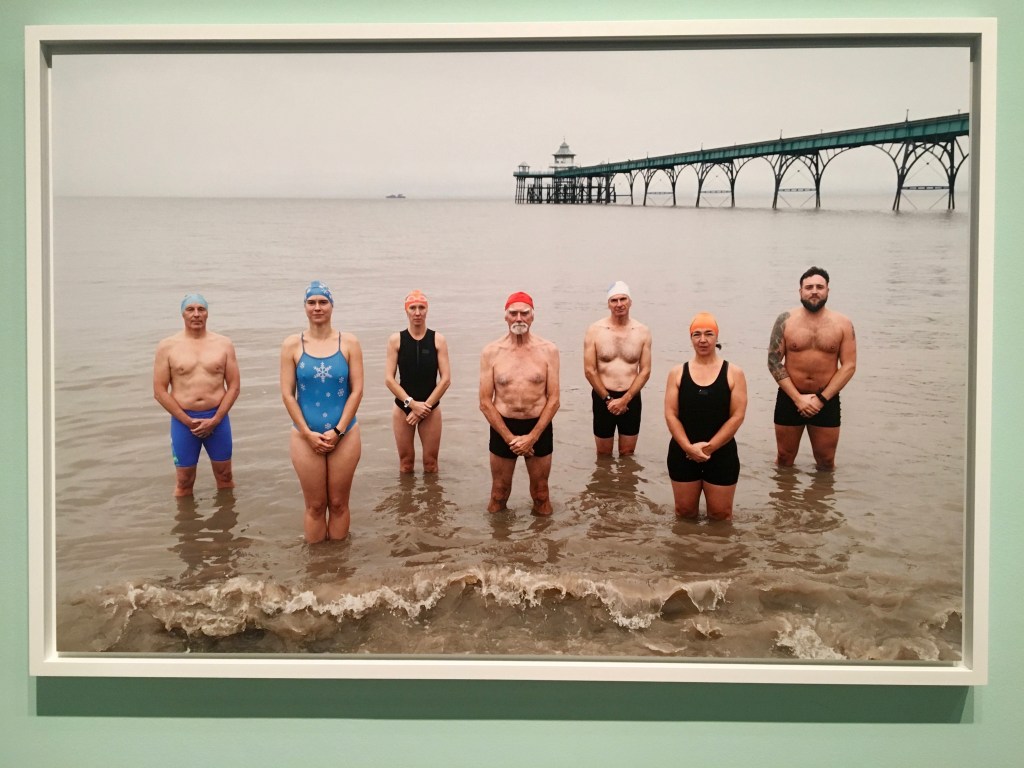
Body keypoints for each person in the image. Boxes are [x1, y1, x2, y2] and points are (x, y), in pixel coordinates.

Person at [280, 280, 363, 543]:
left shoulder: (349, 342)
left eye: (323, 302)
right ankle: (317, 565)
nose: (317, 307)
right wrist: (307, 433)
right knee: (315, 506)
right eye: (312, 302)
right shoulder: (292, 345)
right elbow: (287, 394)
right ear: (305, 307)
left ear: (332, 306)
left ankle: (339, 563)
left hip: (345, 433)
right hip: (304, 435)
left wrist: (339, 431)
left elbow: (357, 391)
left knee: (338, 503)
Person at [767, 266, 857, 470]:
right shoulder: (785, 320)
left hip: (826, 399)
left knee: (826, 461)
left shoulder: (843, 323)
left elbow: (849, 365)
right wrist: (797, 398)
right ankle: (784, 492)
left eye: (819, 287)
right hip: (790, 397)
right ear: (800, 291)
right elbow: (773, 361)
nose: (814, 291)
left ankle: (822, 493)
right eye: (809, 287)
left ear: (827, 290)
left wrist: (821, 399)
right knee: (784, 458)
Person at [479, 291, 560, 515]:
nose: (519, 318)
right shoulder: (491, 352)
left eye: (524, 313)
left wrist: (532, 437)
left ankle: (544, 536)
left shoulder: (548, 350)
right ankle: (498, 537)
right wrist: (510, 439)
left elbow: (554, 399)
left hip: (538, 426)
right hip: (503, 426)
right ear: (505, 316)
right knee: (499, 493)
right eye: (513, 313)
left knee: (541, 494)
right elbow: (485, 402)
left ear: (532, 316)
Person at [153, 293, 240, 497]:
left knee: (225, 476)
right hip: (183, 421)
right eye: (190, 309)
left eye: (201, 309)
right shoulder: (167, 346)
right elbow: (159, 391)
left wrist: (215, 419)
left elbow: (234, 386)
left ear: (207, 314)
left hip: (217, 419)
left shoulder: (223, 344)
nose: (196, 314)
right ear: (182, 314)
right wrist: (188, 421)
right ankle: (184, 518)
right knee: (184, 481)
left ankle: (227, 516)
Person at [664, 312, 747, 521]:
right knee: (684, 514)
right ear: (691, 338)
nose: (703, 340)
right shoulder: (677, 372)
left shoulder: (734, 372)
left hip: (721, 453)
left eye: (709, 334)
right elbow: (671, 414)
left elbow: (737, 416)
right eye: (697, 334)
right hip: (683, 452)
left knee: (721, 516)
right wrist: (688, 448)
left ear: (717, 337)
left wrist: (709, 448)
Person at [385, 289, 452, 473]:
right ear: (406, 310)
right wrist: (412, 404)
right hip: (403, 407)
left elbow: (446, 379)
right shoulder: (396, 340)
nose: (417, 312)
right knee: (406, 463)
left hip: (431, 408)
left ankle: (432, 493)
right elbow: (389, 379)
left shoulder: (438, 340)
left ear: (427, 310)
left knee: (431, 463)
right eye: (412, 308)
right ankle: (406, 494)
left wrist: (425, 407)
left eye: (421, 308)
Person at [583, 280, 652, 456]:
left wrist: (625, 399)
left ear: (630, 301)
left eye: (623, 299)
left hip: (631, 398)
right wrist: (608, 399)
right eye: (614, 300)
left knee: (628, 453)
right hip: (602, 397)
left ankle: (625, 477)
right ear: (608, 304)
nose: (619, 304)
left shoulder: (642, 331)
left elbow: (645, 371)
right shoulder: (595, 330)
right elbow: (590, 370)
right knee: (603, 454)